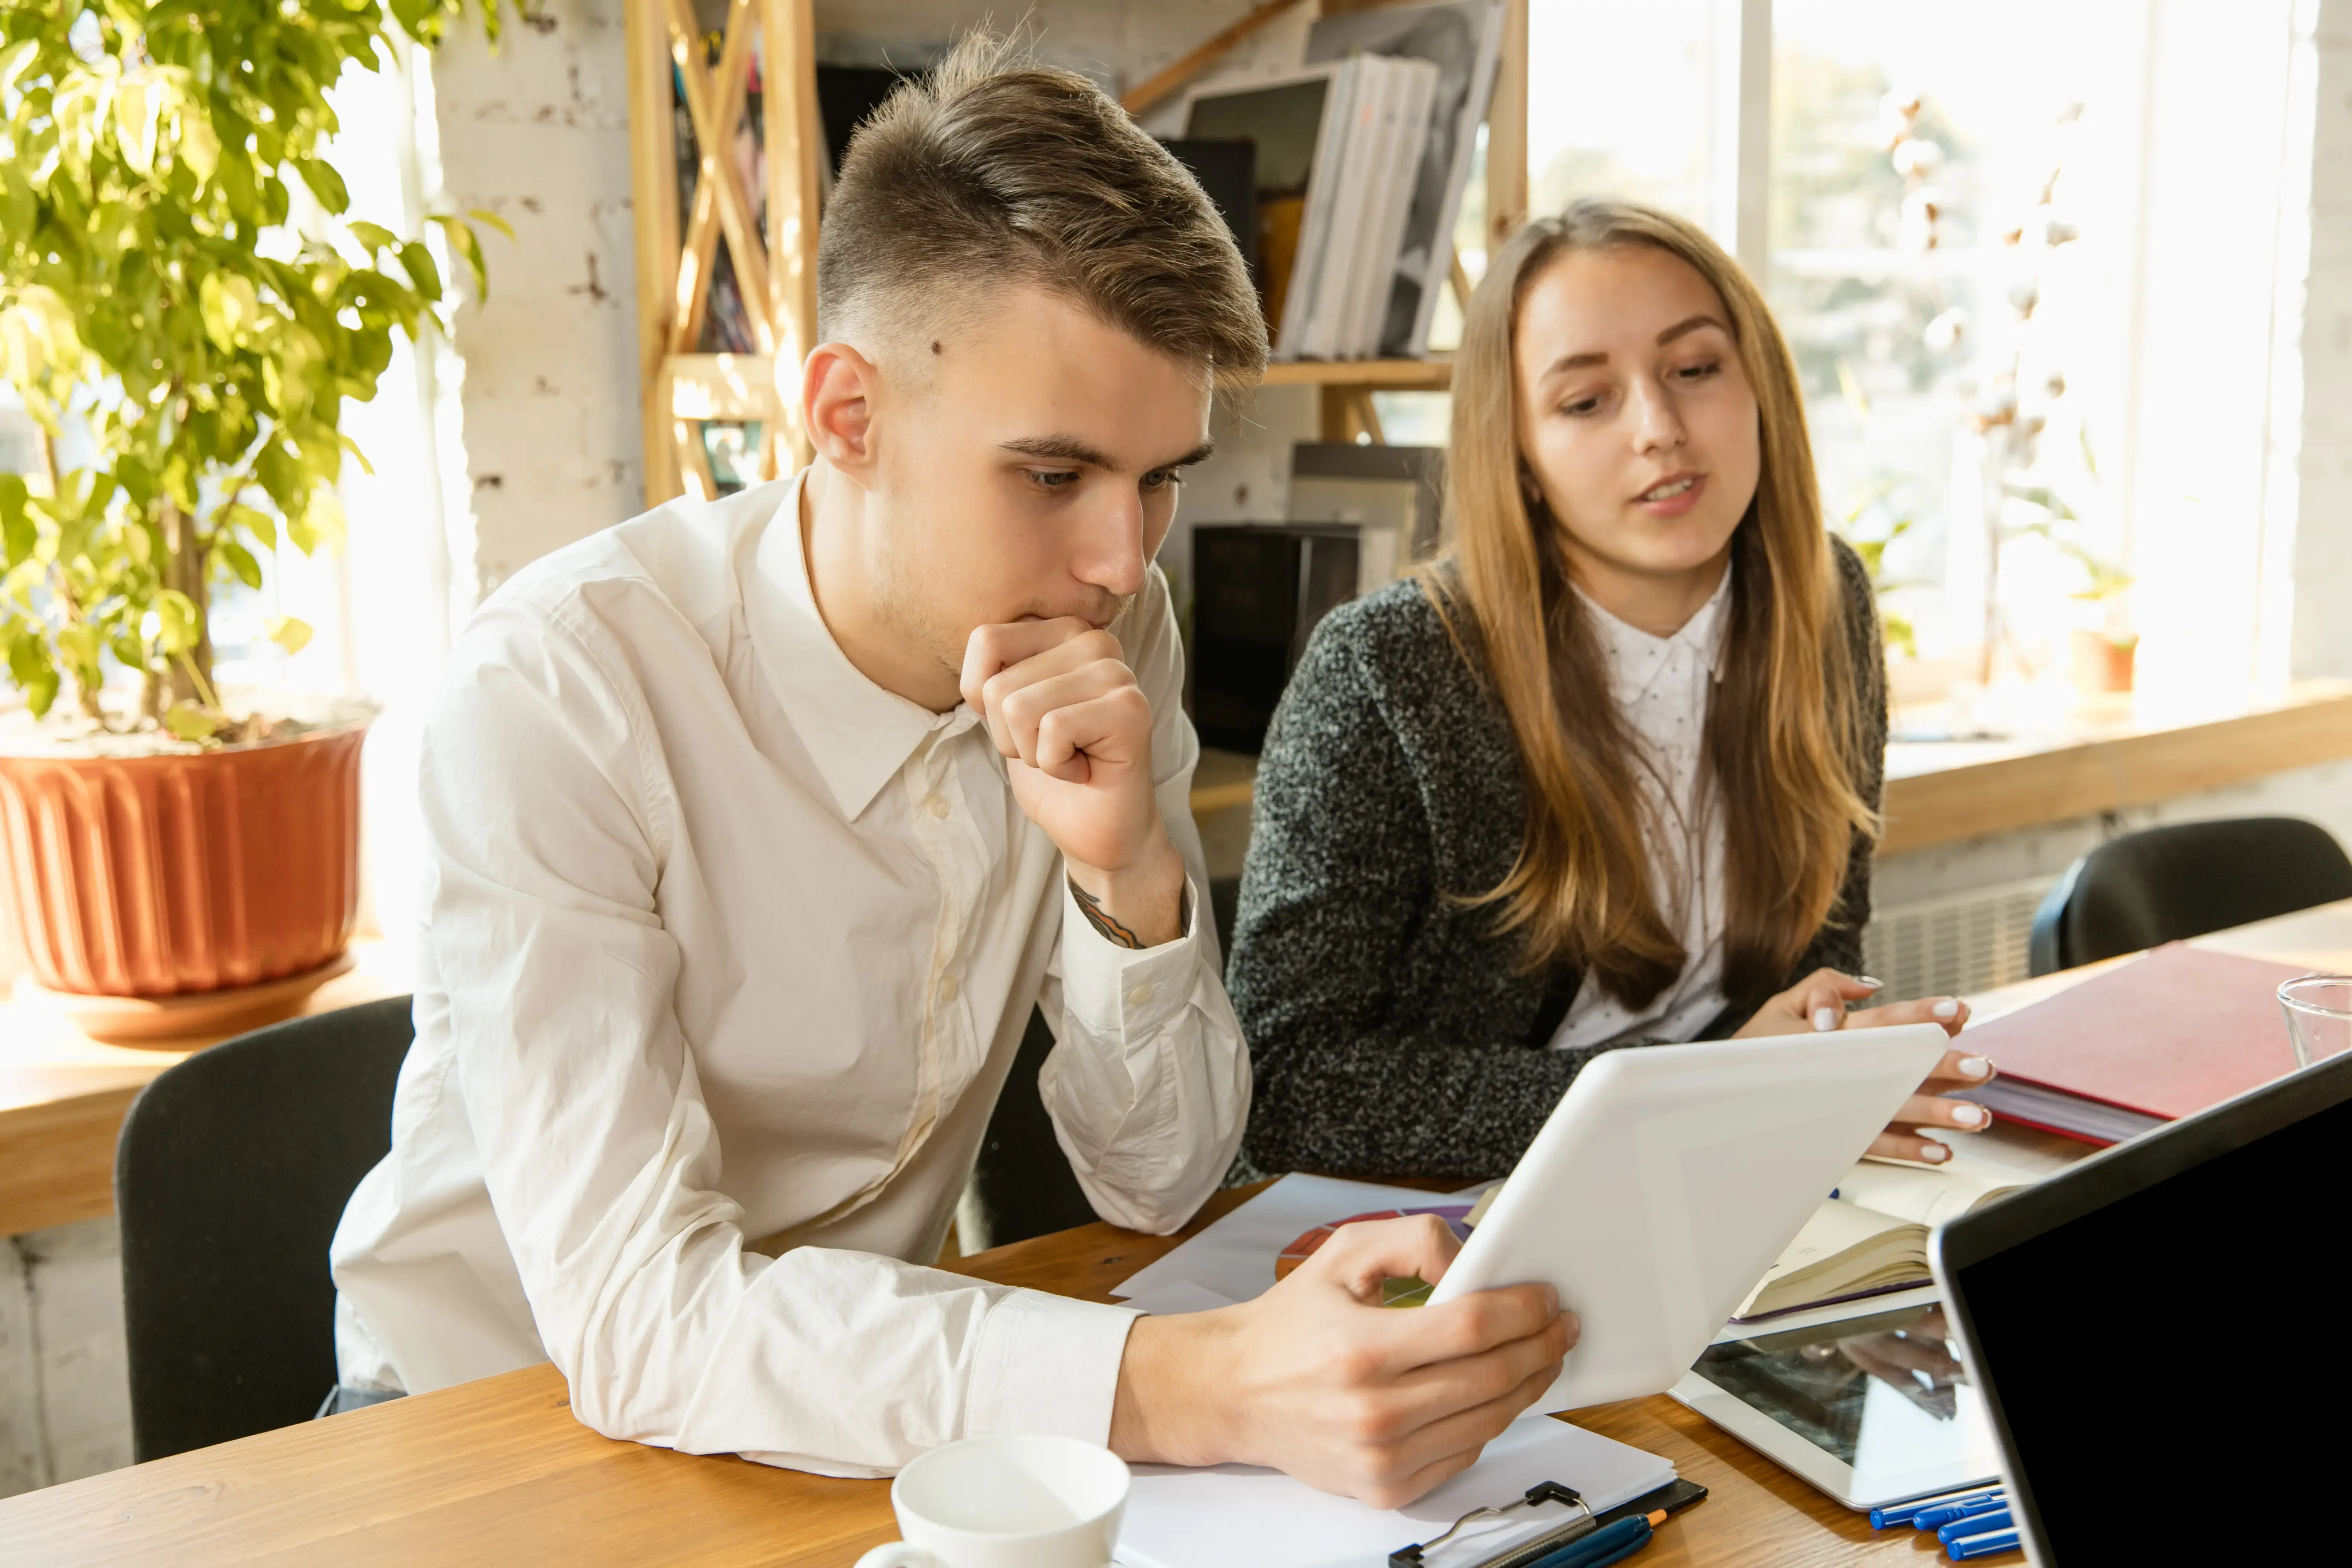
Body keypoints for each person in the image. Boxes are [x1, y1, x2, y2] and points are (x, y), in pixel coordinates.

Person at [327, 35, 1569, 1508]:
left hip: (869, 1410)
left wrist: (1126, 874)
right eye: (1052, 474)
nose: (1123, 556)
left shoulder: (1106, 622)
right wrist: (1187, 1382)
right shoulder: (557, 690)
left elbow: (1159, 1184)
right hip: (490, 1436)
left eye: (1160, 474)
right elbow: (639, 1320)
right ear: (847, 416)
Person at [1228, 199, 1995, 1182]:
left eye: (1695, 369)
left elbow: (1816, 955)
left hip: (1712, 1172)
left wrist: (1816, 1065)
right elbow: (1287, 1086)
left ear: (1758, 382)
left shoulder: (1824, 600)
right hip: (1427, 1221)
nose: (1661, 429)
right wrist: (1697, 1090)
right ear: (1523, 460)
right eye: (1587, 402)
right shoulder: (1387, 669)